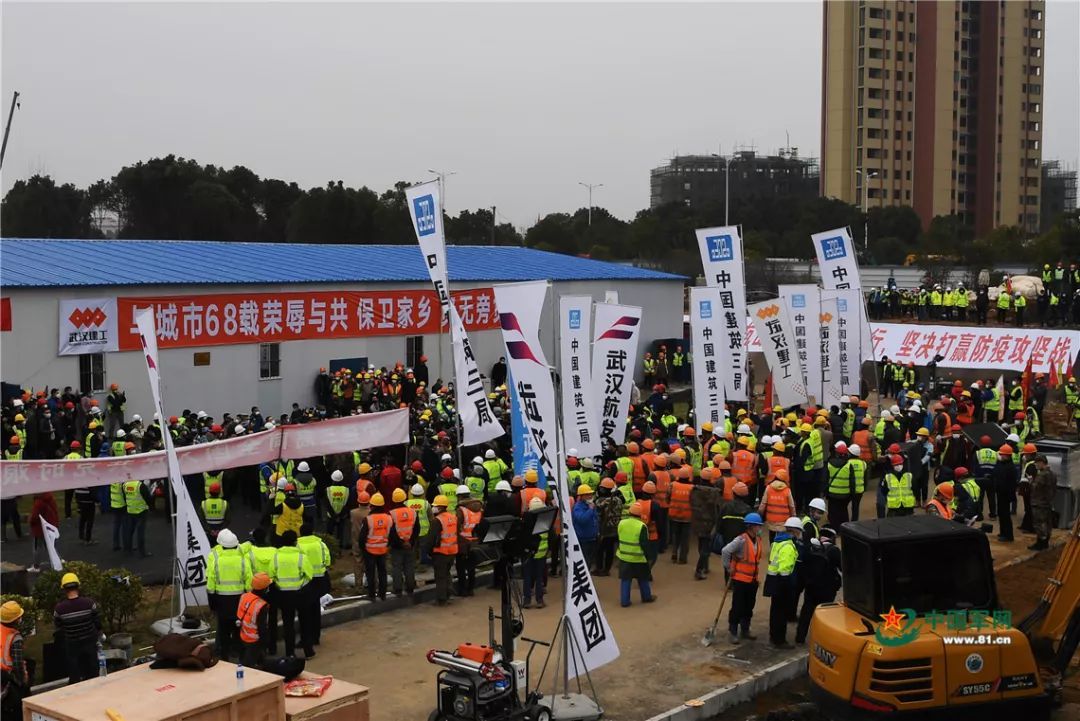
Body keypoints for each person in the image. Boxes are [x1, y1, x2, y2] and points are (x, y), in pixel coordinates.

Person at [207, 528, 251, 662]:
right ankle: (238, 653)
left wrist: (212, 603)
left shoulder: (217, 561)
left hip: (222, 600)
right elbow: (249, 581)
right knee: (238, 627)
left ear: (221, 545)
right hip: (240, 599)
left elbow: (210, 584)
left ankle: (224, 656)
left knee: (224, 629)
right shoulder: (243, 560)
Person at [270, 530, 314, 657]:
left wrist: (279, 585)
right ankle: (308, 651)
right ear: (295, 542)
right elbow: (309, 575)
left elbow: (271, 574)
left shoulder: (276, 556)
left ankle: (290, 653)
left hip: (283, 595)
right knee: (305, 622)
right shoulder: (301, 556)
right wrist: (301, 585)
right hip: (300, 594)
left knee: (288, 624)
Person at [795, 525, 841, 645]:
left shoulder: (811, 547)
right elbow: (842, 567)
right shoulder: (834, 550)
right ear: (832, 537)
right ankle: (821, 640)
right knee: (824, 616)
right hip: (827, 589)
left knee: (806, 613)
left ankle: (800, 638)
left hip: (811, 587)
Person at [721, 512, 763, 644]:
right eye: (757, 526)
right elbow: (725, 551)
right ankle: (733, 630)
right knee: (737, 606)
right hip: (740, 580)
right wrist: (728, 568)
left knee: (749, 606)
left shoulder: (758, 540)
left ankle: (745, 629)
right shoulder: (741, 540)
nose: (759, 528)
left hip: (752, 580)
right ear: (751, 526)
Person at [52, 572, 102, 684]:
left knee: (75, 673)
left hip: (72, 645)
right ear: (78, 586)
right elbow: (98, 623)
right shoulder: (89, 603)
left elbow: (58, 628)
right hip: (90, 643)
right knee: (93, 672)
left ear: (64, 589)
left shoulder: (59, 609)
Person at [765, 516, 803, 649]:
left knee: (775, 611)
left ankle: (774, 637)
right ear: (795, 531)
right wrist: (789, 585)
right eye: (799, 532)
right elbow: (785, 570)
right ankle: (779, 640)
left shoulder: (777, 541)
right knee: (781, 614)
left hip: (773, 580)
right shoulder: (788, 546)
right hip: (782, 583)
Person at [616, 501, 658, 607]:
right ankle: (646, 597)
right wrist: (648, 556)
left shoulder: (622, 523)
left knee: (626, 580)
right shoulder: (641, 526)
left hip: (624, 557)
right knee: (643, 578)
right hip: (638, 558)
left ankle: (625, 601)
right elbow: (644, 543)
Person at [357, 492, 395, 601]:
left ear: (371, 505)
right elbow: (392, 534)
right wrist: (388, 546)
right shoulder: (388, 518)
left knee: (371, 574)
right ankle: (382, 594)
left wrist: (363, 549)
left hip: (369, 550)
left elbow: (362, 537)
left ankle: (372, 595)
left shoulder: (368, 519)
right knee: (382, 572)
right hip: (383, 549)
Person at [297, 524, 331, 646]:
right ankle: (316, 637)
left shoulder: (297, 545)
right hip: (319, 580)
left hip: (304, 581)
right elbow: (327, 560)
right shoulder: (321, 544)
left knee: (304, 611)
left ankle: (305, 639)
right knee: (315, 608)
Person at [691, 468, 721, 580]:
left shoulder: (694, 490)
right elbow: (718, 508)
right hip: (709, 523)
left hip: (697, 521)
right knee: (706, 547)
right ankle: (700, 569)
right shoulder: (715, 493)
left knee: (701, 544)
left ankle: (704, 566)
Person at [426, 495, 457, 606]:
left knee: (440, 576)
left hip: (441, 552)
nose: (433, 508)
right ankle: (449, 594)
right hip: (452, 550)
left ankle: (441, 599)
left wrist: (428, 551)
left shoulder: (437, 521)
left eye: (435, 506)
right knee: (447, 573)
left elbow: (431, 538)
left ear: (440, 507)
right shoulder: (453, 517)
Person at [237, 573, 272, 667]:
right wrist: (265, 641)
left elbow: (240, 615)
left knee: (255, 661)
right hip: (254, 639)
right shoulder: (261, 605)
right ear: (264, 588)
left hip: (243, 634)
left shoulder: (244, 596)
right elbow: (262, 627)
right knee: (248, 668)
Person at [1, 600, 29, 714]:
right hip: (7, 677)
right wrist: (22, 682)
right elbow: (17, 665)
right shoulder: (15, 637)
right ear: (15, 619)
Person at [522, 497, 549, 609]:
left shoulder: (526, 522)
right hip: (541, 553)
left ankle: (527, 600)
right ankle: (539, 600)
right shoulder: (546, 521)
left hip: (528, 554)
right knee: (539, 577)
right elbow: (551, 537)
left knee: (527, 577)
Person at [594, 479, 623, 576]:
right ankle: (607, 569)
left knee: (600, 550)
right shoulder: (618, 500)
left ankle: (599, 569)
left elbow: (596, 506)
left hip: (605, 528)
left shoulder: (603, 501)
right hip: (615, 527)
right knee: (610, 550)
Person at [1028, 455, 1056, 551]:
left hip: (1039, 502)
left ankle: (1040, 543)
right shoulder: (1052, 474)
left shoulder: (1042, 475)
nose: (1036, 465)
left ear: (1041, 462)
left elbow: (1035, 487)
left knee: (1039, 523)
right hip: (1047, 502)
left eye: (1037, 462)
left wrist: (1031, 481)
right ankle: (1045, 541)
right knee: (1047, 522)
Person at [667, 467, 694, 564]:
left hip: (674, 514)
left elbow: (668, 497)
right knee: (685, 538)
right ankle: (682, 558)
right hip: (687, 516)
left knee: (675, 535)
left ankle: (674, 553)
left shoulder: (672, 485)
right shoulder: (692, 488)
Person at [122, 477, 153, 557]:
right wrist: (150, 507)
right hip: (141, 511)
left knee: (129, 531)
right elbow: (148, 498)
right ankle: (142, 552)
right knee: (140, 533)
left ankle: (128, 549)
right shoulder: (140, 485)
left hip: (130, 511)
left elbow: (125, 497)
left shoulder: (125, 484)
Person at [993, 445, 1018, 542]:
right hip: (1001, 493)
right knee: (1001, 513)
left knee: (1005, 515)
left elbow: (1008, 482)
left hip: (1005, 494)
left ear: (1006, 455)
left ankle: (1008, 535)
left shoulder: (1009, 467)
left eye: (1002, 454)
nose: (1000, 456)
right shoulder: (1003, 464)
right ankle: (1003, 532)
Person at [572, 484, 600, 569]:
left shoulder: (590, 505)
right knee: (585, 563)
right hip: (583, 540)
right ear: (581, 496)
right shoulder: (578, 507)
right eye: (587, 494)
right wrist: (590, 509)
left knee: (589, 561)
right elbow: (582, 520)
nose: (590, 496)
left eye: (590, 494)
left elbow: (595, 519)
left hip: (592, 538)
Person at [29, 492, 59, 569]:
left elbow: (34, 517)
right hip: (50, 526)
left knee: (37, 547)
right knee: (51, 546)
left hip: (39, 529)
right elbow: (55, 511)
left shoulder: (38, 502)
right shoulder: (51, 498)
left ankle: (36, 566)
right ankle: (58, 561)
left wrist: (29, 520)